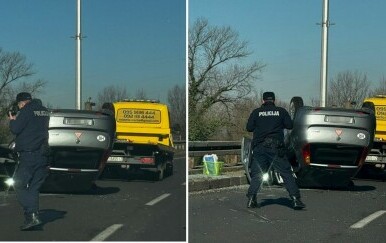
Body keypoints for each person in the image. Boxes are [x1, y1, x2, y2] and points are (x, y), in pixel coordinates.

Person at [245, 91, 305, 210]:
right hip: (276, 147)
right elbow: (289, 125)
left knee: (257, 174)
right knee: (286, 173)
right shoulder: (281, 111)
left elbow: (249, 128)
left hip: (259, 148)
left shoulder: (256, 112)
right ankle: (295, 200)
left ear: (263, 101)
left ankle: (251, 199)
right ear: (274, 100)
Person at [8, 92, 50, 230]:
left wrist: (13, 119)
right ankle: (32, 216)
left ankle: (32, 215)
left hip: (29, 155)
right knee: (33, 187)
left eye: (19, 105)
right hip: (43, 154)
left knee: (19, 184)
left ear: (22, 102)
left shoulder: (26, 111)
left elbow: (15, 129)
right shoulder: (44, 111)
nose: (19, 107)